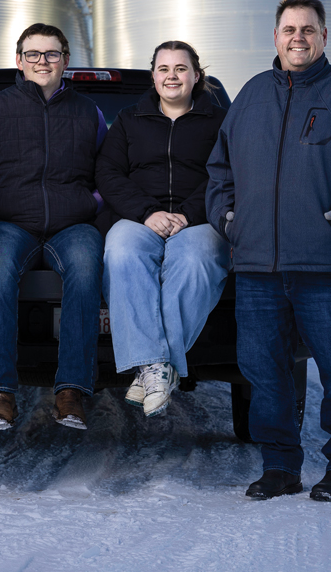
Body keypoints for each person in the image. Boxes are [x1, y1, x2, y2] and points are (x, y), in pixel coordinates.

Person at [205, 0, 331, 502]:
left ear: (323, 36)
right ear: (275, 36)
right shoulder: (252, 94)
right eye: (289, 29)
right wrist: (228, 218)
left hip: (326, 266)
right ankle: (280, 467)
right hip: (257, 266)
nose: (298, 37)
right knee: (263, 371)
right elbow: (219, 169)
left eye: (308, 29)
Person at [0, 23, 107, 431]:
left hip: (73, 225)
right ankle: (0, 394)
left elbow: (108, 170)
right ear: (19, 60)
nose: (42, 61)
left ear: (65, 60)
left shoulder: (89, 112)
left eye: (52, 54)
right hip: (10, 223)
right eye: (33, 54)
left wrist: (90, 203)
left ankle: (71, 392)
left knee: (86, 265)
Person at [95, 41, 230, 418]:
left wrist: (187, 214)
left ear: (196, 75)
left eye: (181, 68)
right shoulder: (129, 119)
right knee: (121, 251)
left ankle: (152, 368)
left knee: (198, 257)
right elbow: (108, 173)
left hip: (199, 219)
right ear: (153, 76)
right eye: (164, 69)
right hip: (140, 217)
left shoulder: (221, 121)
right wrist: (147, 212)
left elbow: (227, 173)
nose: (172, 76)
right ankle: (159, 366)